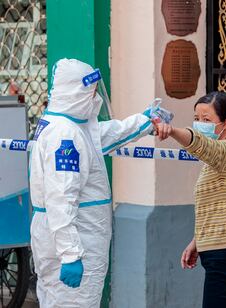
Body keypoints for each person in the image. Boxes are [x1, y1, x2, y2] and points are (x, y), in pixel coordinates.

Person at [29, 58, 171, 307]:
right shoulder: (66, 135)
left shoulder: (70, 127)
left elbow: (107, 134)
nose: (95, 98)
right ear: (77, 92)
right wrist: (71, 254)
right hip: (78, 238)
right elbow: (61, 199)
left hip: (71, 237)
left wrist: (145, 120)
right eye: (92, 92)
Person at [154, 91, 226, 308]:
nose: (199, 124)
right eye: (196, 119)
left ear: (225, 123)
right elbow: (218, 206)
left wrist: (171, 131)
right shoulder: (222, 156)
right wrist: (197, 241)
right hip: (219, 249)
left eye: (207, 120)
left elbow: (201, 144)